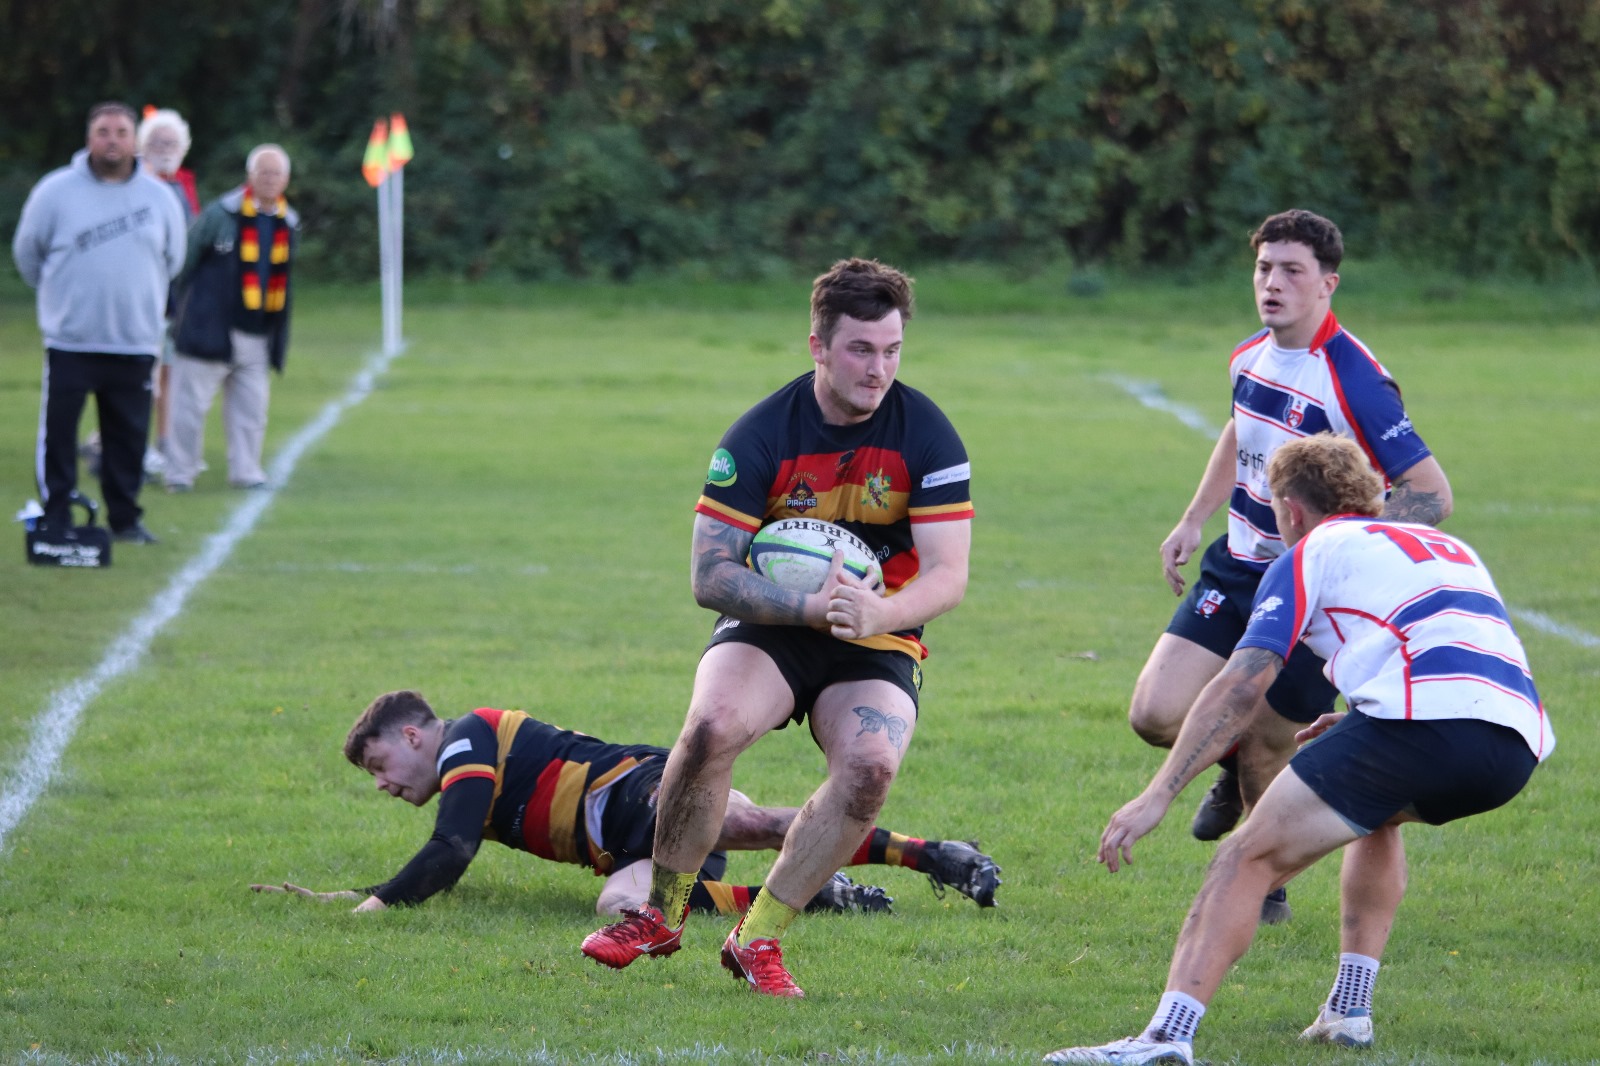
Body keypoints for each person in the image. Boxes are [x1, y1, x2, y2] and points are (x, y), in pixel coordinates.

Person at [1043, 433, 1553, 1065]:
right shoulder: (1447, 546)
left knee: (1243, 859)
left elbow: (1240, 685)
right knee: (1378, 814)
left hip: (1422, 724)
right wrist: (1361, 722)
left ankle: (1165, 1038)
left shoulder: (1310, 550)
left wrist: (1158, 795)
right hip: (1513, 743)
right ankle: (1349, 1011)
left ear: (1290, 509)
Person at [581, 257, 982, 997]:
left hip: (878, 631)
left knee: (871, 768)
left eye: (892, 350)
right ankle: (660, 913)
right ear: (818, 346)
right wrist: (805, 608)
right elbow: (709, 575)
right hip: (772, 620)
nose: (879, 369)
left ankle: (757, 936)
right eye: (861, 349)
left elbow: (948, 575)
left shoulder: (928, 434)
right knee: (712, 727)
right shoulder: (762, 433)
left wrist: (881, 612)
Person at [1125, 209, 1454, 923]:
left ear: (1327, 284)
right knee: (1154, 715)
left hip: (1312, 593)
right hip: (1239, 566)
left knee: (1268, 742)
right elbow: (1240, 429)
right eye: (1264, 268)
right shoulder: (1249, 356)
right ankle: (1228, 761)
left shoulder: (1356, 380)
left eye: (1292, 271)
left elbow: (1432, 493)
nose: (1272, 283)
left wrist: (1340, 548)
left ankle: (1263, 889)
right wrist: (1194, 516)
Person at [250, 690, 1000, 920]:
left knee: (756, 825)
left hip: (642, 793)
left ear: (413, 736)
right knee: (625, 904)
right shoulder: (461, 770)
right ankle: (821, 895)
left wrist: (374, 908)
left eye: (379, 765)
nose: (382, 785)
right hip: (632, 838)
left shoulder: (466, 739)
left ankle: (931, 856)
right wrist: (365, 893)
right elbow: (443, 854)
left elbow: (451, 852)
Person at [11, 101, 187, 544]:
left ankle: (125, 520)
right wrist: (63, 300)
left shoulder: (158, 197)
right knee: (59, 437)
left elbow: (174, 259)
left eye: (122, 133)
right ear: (89, 138)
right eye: (104, 132)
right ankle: (56, 517)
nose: (112, 141)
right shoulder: (55, 191)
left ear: (134, 140)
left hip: (134, 341)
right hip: (71, 341)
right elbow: (28, 254)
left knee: (127, 437)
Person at [165, 144, 298, 493]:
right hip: (210, 327)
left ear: (286, 180)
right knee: (190, 406)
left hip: (259, 331)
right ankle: (179, 473)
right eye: (263, 172)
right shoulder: (221, 214)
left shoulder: (288, 221)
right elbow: (185, 261)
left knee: (252, 409)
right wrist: (177, 309)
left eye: (276, 173)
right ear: (249, 175)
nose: (269, 179)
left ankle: (246, 470)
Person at [136, 107, 201, 480]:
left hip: (177, 300)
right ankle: (134, 445)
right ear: (144, 146)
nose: (165, 149)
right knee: (142, 376)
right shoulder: (136, 185)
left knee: (170, 375)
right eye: (158, 142)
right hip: (144, 297)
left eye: (171, 143)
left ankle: (166, 444)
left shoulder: (183, 185)